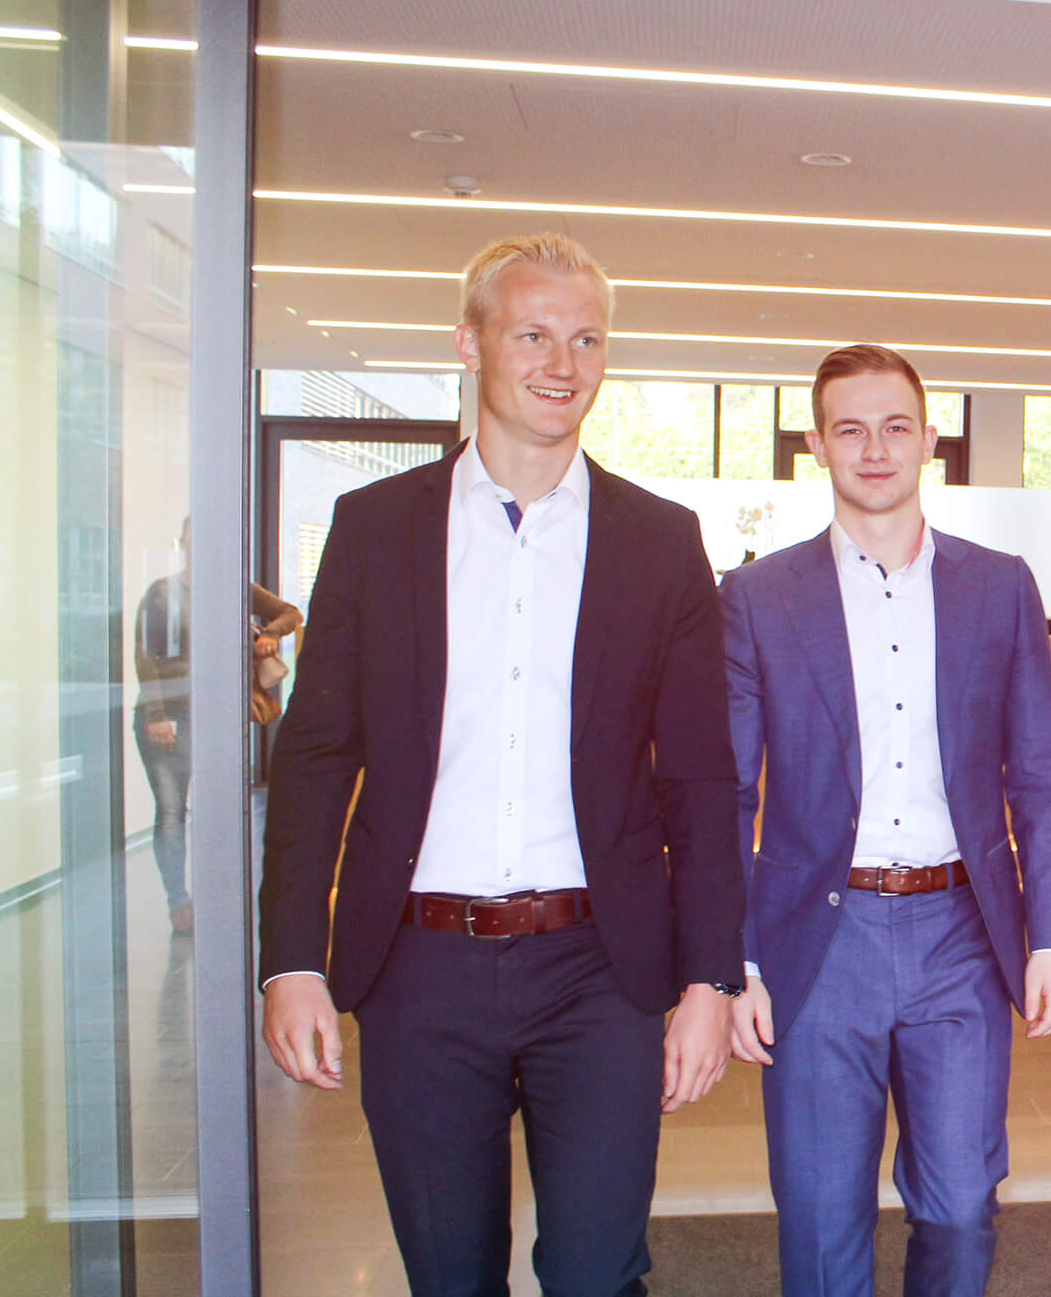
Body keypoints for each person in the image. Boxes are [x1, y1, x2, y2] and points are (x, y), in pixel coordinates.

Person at [255, 233, 743, 1296]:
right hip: (417, 971)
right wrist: (291, 961)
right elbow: (316, 757)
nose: (562, 363)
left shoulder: (660, 541)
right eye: (532, 334)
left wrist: (711, 977)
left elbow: (702, 780)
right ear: (469, 344)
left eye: (586, 339)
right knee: (448, 1275)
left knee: (598, 1274)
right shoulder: (376, 528)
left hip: (598, 972)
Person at [720, 343, 1051, 1297]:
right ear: (816, 446)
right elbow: (729, 793)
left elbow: (1041, 772)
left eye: (895, 428)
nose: (874, 450)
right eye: (850, 430)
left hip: (960, 933)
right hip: (815, 941)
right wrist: (736, 960)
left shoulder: (999, 585)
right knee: (820, 1219)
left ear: (929, 441)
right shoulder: (758, 597)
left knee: (961, 1206)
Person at [131, 516, 301, 933]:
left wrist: (269, 634)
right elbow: (145, 655)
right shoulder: (161, 593)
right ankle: (178, 900)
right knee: (171, 812)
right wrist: (156, 716)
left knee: (220, 810)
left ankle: (218, 899)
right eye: (193, 535)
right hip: (170, 717)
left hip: (220, 718)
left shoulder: (236, 588)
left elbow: (291, 613)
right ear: (182, 541)